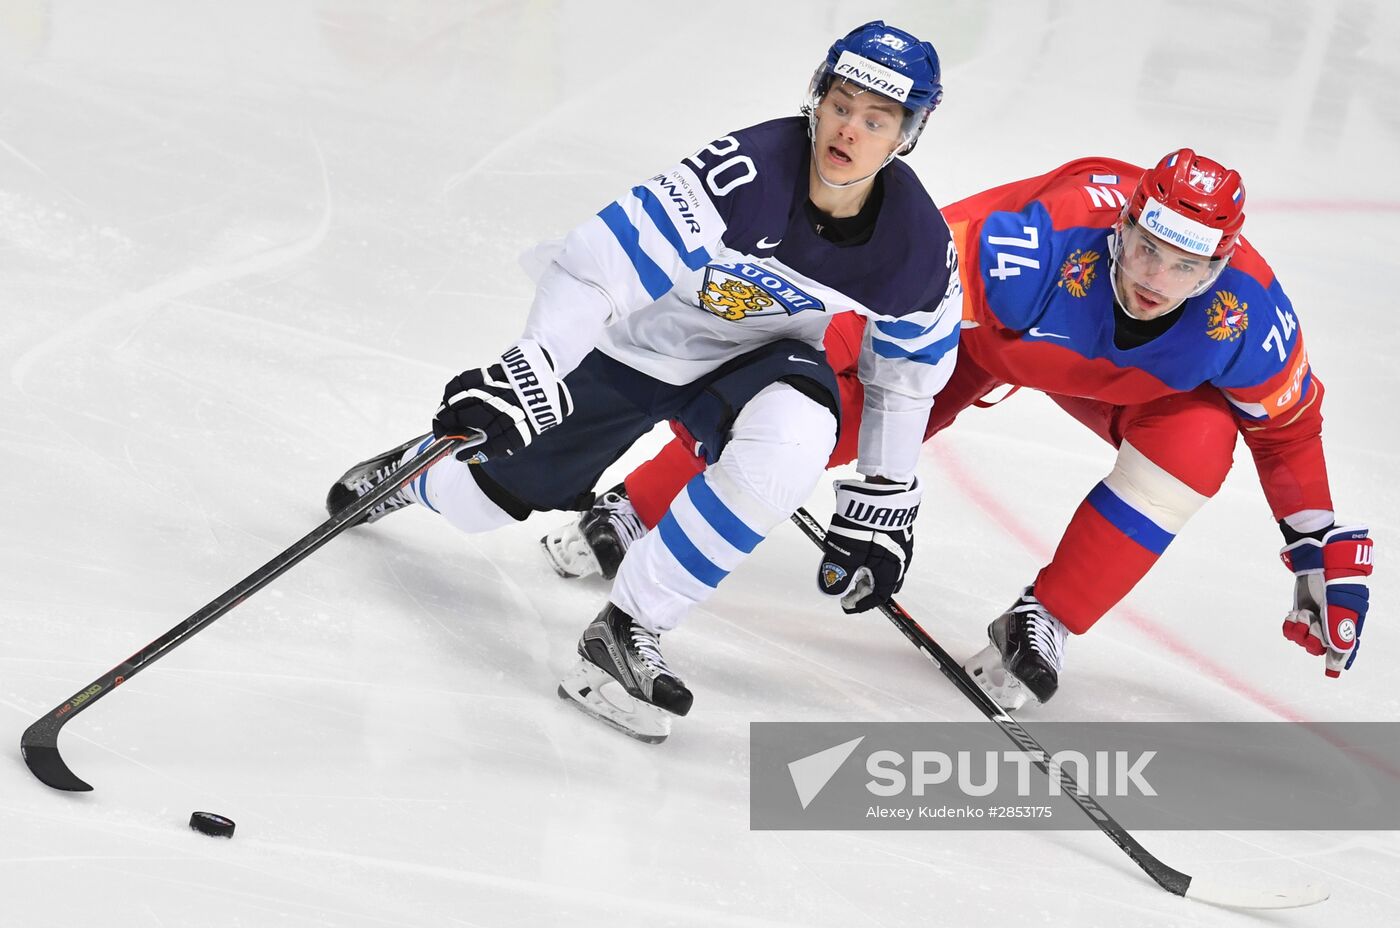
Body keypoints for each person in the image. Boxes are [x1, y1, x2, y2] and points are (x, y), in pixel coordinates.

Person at [544, 150, 1375, 711]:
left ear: (1221, 268)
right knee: (827, 415)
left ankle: (1043, 620)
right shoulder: (1036, 247)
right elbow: (882, 302)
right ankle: (636, 505)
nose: (1155, 279)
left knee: (1201, 443)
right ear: (1120, 227)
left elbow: (1288, 431)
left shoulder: (1249, 318)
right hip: (977, 340)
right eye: (1147, 249)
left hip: (1134, 390)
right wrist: (776, 376)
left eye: (1187, 266)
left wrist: (1314, 543)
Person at [326, 21, 963, 741]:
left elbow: (907, 376)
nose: (849, 129)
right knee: (482, 505)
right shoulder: (747, 171)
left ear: (907, 134)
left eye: (875, 120)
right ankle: (421, 475)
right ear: (818, 96)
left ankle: (629, 628)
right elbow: (598, 264)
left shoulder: (916, 246)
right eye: (841, 105)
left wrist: (885, 490)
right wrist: (532, 366)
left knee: (797, 438)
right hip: (638, 344)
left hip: (760, 358)